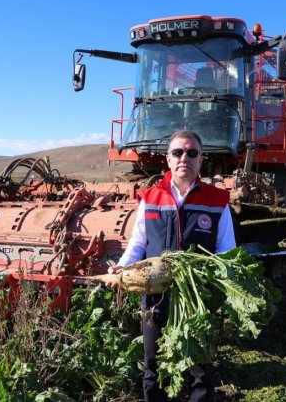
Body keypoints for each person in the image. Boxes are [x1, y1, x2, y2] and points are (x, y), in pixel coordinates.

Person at [106, 130, 235, 402]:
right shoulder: (150, 197)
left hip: (196, 297)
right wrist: (122, 267)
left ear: (201, 159)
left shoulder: (217, 200)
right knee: (153, 364)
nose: (184, 158)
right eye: (177, 152)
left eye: (192, 153)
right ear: (168, 159)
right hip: (155, 295)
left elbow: (226, 250)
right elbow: (138, 242)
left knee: (199, 368)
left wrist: (214, 279)